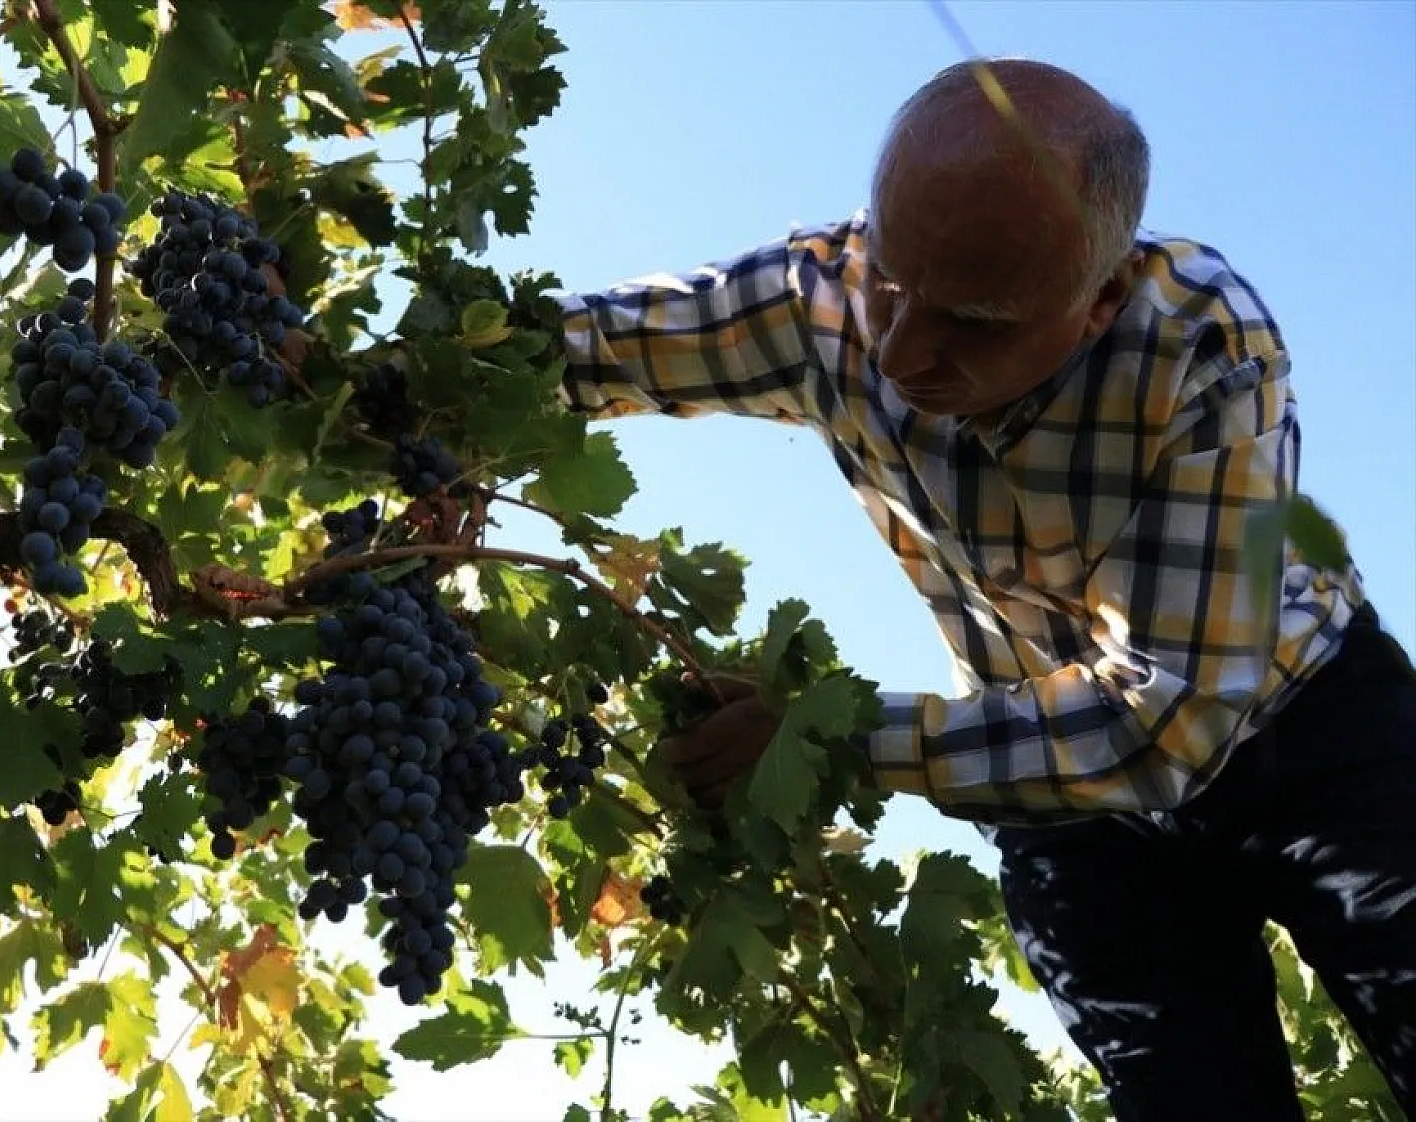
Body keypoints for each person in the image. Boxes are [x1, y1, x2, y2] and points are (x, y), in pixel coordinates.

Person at [545, 57, 1416, 1121]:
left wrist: (820, 740)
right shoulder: (819, 304)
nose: (903, 351)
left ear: (1096, 302)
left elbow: (1162, 722)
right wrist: (355, 374)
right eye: (895, 281)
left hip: (1307, 730)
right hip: (1061, 803)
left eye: (975, 318)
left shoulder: (1198, 341)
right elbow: (575, 350)